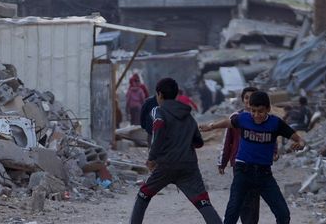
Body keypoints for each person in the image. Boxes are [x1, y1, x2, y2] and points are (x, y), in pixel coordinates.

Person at [201, 91, 306, 224]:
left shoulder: (275, 123)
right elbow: (228, 122)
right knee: (232, 212)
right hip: (243, 171)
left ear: (268, 109)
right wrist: (211, 126)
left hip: (264, 175)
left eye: (260, 111)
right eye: (253, 111)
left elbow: (298, 138)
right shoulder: (243, 118)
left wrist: (301, 144)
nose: (256, 115)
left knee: (283, 213)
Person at [129, 77, 222, 224]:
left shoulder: (158, 112)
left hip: (165, 165)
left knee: (143, 196)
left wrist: (151, 158)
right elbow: (198, 142)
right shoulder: (188, 116)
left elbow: (157, 132)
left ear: (159, 94)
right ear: (176, 94)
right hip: (189, 166)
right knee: (203, 202)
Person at [218, 87, 261, 224]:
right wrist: (222, 162)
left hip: (258, 164)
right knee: (240, 195)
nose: (249, 100)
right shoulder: (235, 118)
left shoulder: (262, 118)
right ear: (243, 100)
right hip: (239, 163)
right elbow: (227, 141)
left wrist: (274, 152)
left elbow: (271, 137)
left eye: (253, 97)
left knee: (254, 197)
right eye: (247, 97)